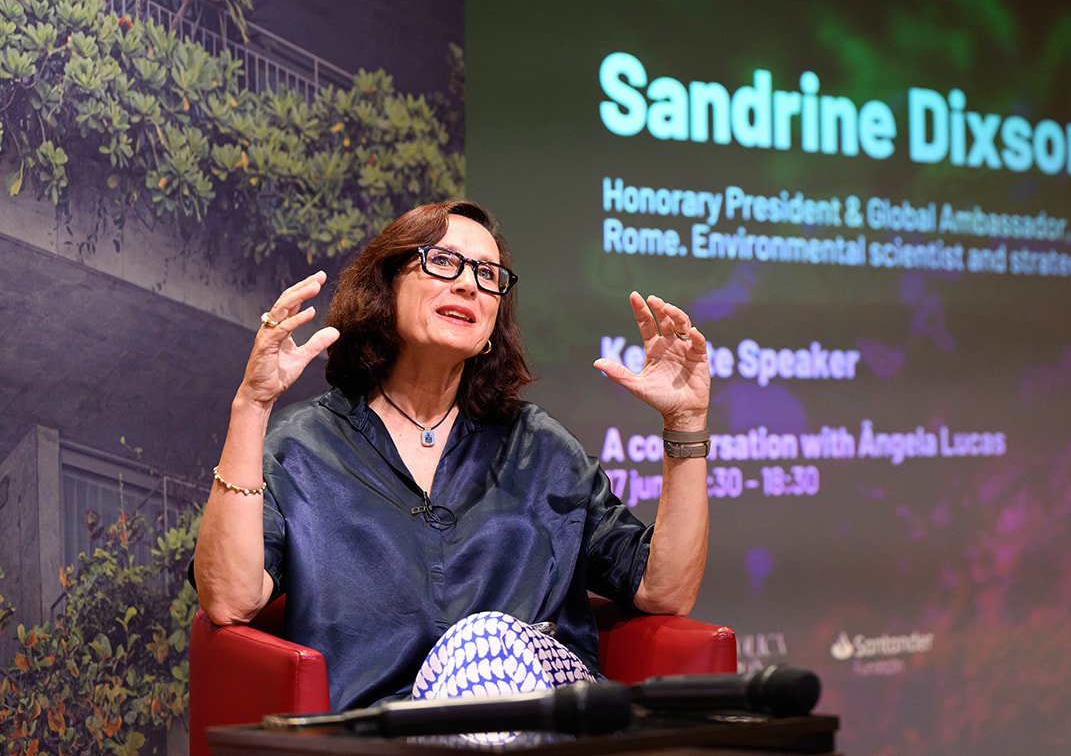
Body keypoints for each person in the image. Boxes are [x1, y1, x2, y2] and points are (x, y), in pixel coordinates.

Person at [193, 199, 711, 710]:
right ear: (387, 286)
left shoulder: (539, 448)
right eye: (442, 261)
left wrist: (685, 423)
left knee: (485, 648)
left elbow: (662, 591)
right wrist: (252, 405)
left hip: (542, 727)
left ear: (493, 324)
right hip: (381, 737)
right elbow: (230, 599)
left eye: (488, 274)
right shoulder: (302, 445)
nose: (468, 283)